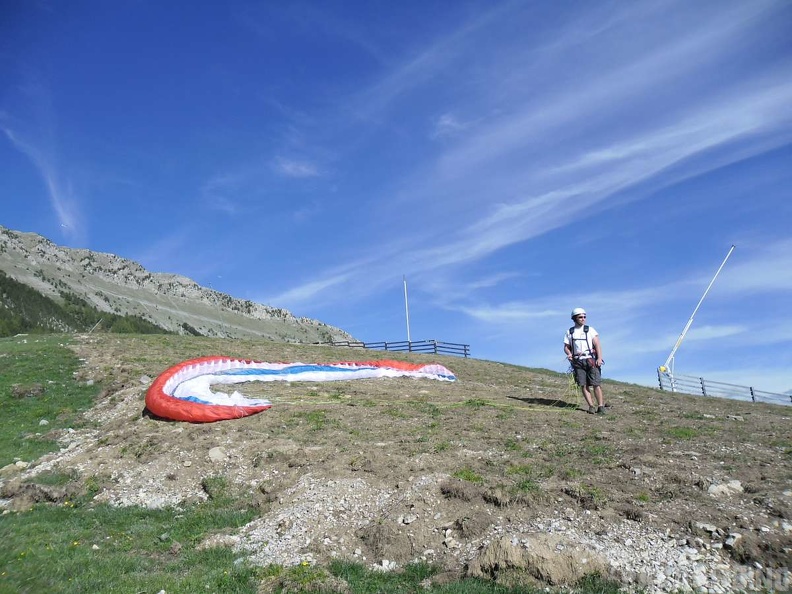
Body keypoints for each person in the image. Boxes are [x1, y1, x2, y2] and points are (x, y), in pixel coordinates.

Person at [563, 308, 606, 414]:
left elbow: (597, 345)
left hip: (591, 360)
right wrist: (569, 354)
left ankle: (600, 406)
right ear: (574, 318)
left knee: (596, 383)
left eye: (584, 317)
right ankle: (591, 406)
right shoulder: (570, 332)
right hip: (578, 362)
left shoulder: (590, 330)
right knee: (583, 384)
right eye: (580, 317)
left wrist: (599, 358)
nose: (583, 319)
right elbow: (566, 347)